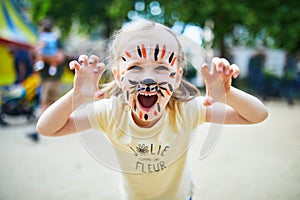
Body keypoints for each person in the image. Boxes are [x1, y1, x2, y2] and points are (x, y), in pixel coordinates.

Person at [36, 20, 268, 200]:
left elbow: (257, 115)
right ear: (118, 76)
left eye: (160, 67)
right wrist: (75, 97)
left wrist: (227, 94)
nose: (148, 78)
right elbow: (47, 128)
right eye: (135, 66)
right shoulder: (110, 112)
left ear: (177, 78)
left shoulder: (187, 110)